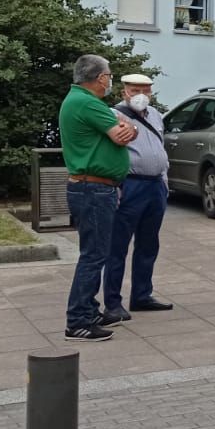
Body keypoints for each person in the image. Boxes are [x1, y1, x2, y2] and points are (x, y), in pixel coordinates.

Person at [60, 54, 136, 341]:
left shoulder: (77, 100)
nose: (110, 81)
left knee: (94, 253)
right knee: (93, 256)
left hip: (90, 187)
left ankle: (88, 310)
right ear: (101, 78)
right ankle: (78, 320)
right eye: (110, 76)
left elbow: (125, 128)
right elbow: (121, 135)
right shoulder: (87, 103)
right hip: (93, 188)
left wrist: (132, 127)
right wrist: (131, 128)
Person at [102, 72, 172, 325]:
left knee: (149, 243)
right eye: (135, 90)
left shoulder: (155, 115)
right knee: (117, 247)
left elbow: (160, 145)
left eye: (146, 90)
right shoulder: (113, 115)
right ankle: (112, 302)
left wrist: (164, 180)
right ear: (124, 92)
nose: (141, 95)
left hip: (155, 185)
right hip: (130, 185)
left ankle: (142, 294)